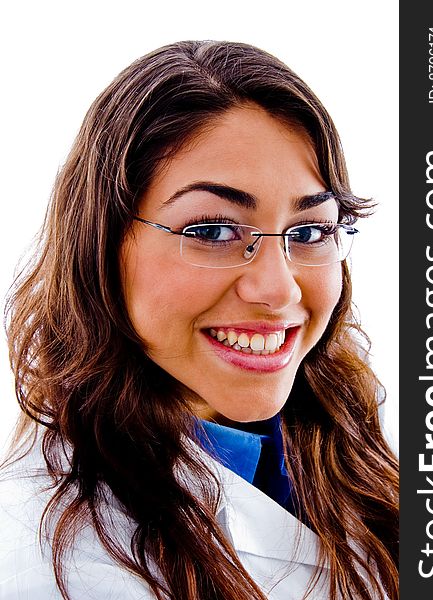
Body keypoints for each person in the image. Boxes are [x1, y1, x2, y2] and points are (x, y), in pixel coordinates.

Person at [0, 41, 398, 599]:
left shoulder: (374, 445)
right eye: (211, 231)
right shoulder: (33, 558)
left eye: (309, 232)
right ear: (100, 246)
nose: (278, 288)